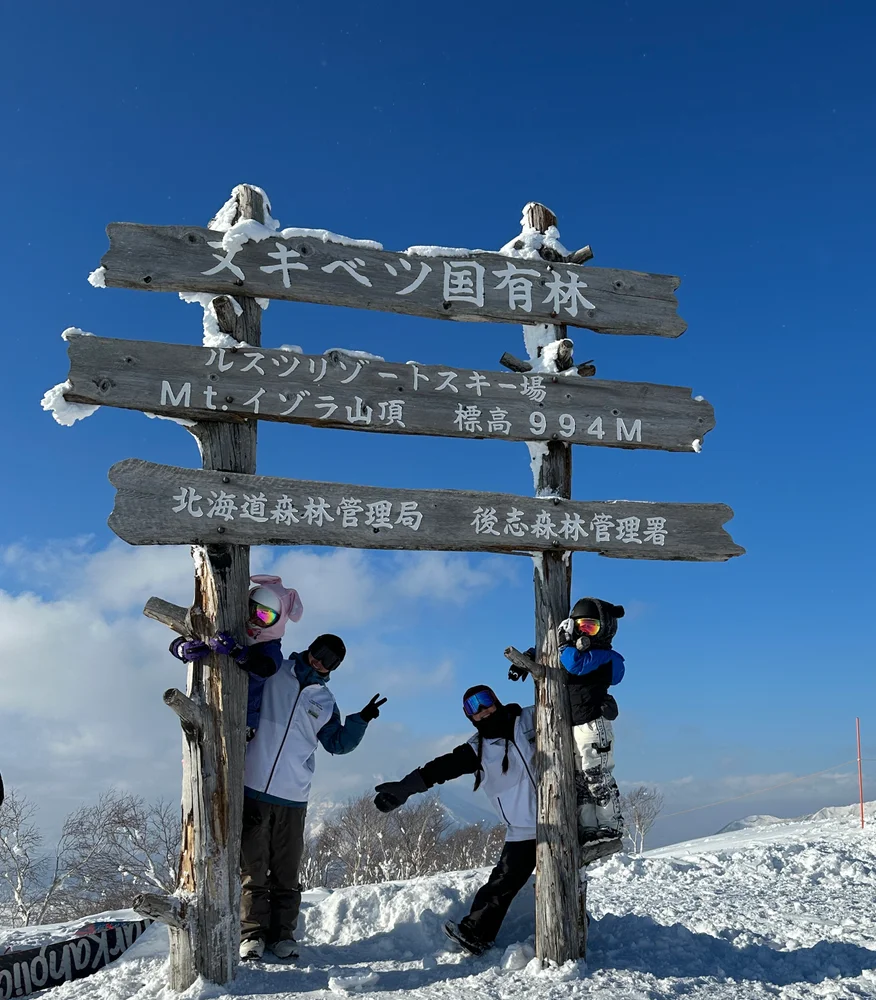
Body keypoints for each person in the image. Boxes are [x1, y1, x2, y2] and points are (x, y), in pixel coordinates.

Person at [238, 634, 386, 962]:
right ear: (311, 649)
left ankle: (283, 935)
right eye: (320, 654)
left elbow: (336, 744)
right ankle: (251, 934)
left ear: (335, 667)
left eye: (330, 661)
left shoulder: (326, 701)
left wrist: (360, 720)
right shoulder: (277, 671)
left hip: (293, 796)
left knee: (286, 871)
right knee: (253, 867)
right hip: (254, 785)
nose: (321, 662)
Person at [374, 685, 536, 957]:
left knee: (567, 878)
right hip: (524, 829)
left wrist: (597, 705)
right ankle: (476, 933)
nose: (483, 711)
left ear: (495, 699)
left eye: (485, 702)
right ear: (469, 716)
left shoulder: (529, 719)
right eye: (474, 709)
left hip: (561, 816)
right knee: (501, 884)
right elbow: (440, 768)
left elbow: (569, 712)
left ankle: (574, 927)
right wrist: (405, 788)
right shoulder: (477, 750)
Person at [169, 575, 304, 742]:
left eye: (265, 616)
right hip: (204, 704)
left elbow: (266, 667)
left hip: (240, 719)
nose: (254, 618)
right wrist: (182, 648)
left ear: (277, 622)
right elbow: (188, 635)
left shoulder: (268, 646)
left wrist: (237, 652)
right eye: (252, 609)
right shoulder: (226, 621)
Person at [556, 596, 626, 850]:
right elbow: (559, 659)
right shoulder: (574, 651)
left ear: (605, 629)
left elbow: (575, 664)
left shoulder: (605, 656)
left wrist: (564, 644)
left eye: (590, 627)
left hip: (594, 725)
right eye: (580, 626)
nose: (584, 632)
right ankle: (587, 828)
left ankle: (610, 824)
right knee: (579, 780)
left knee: (597, 775)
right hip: (572, 727)